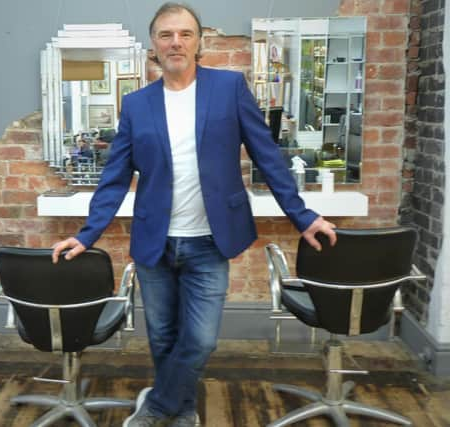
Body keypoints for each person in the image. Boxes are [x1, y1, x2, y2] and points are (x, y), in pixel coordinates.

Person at [52, 3, 337, 426]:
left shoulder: (229, 88)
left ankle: (157, 406)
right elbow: (113, 178)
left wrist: (303, 215)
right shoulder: (136, 105)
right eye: (166, 35)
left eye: (185, 34)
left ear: (199, 41)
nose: (176, 42)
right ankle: (183, 411)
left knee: (200, 340)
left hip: (209, 241)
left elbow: (268, 156)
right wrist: (88, 234)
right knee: (163, 339)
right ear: (154, 44)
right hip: (156, 241)